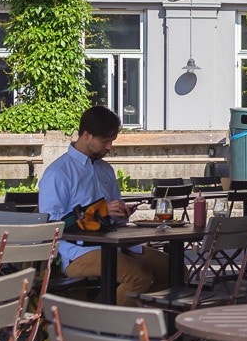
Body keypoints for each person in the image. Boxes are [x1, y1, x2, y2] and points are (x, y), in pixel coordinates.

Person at [39, 106, 168, 308]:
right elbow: (51, 225)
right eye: (105, 141)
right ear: (87, 135)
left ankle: (134, 317)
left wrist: (120, 212)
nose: (109, 147)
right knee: (139, 275)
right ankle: (104, 327)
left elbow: (111, 214)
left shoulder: (105, 169)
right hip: (76, 252)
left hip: (116, 244)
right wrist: (102, 211)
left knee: (174, 269)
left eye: (112, 141)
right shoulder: (58, 172)